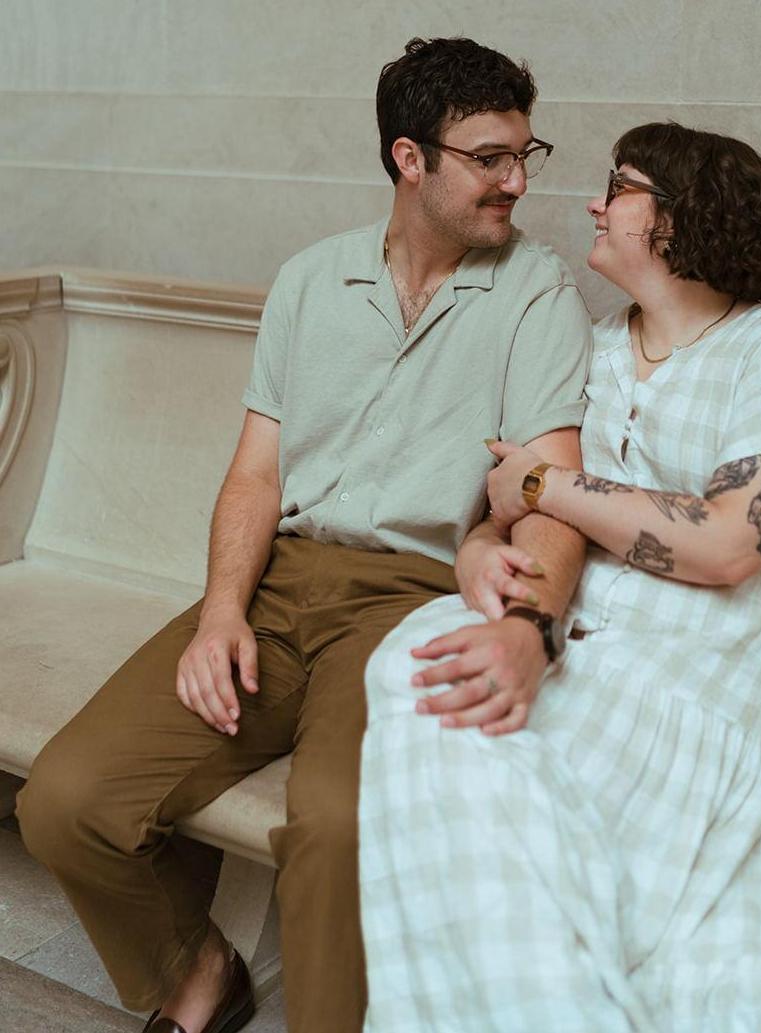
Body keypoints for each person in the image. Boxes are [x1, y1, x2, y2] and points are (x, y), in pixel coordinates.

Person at [16, 37, 591, 1033]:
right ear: (409, 159)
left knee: (337, 829)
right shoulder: (311, 280)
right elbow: (255, 474)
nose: (516, 181)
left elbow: (552, 493)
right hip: (279, 585)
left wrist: (527, 625)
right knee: (66, 801)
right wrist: (221, 615)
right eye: (489, 158)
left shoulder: (536, 293)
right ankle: (200, 974)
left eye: (523, 155)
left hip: (411, 601)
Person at [358, 121, 761, 1031]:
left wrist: (548, 485)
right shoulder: (588, 346)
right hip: (587, 620)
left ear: (685, 215)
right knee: (413, 669)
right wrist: (478, 552)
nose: (594, 202)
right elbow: (500, 506)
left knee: (481, 745)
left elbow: (730, 545)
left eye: (620, 185)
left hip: (716, 652)